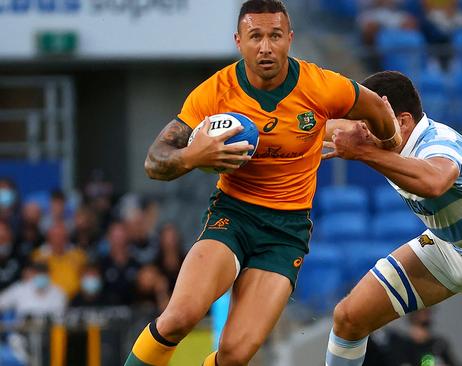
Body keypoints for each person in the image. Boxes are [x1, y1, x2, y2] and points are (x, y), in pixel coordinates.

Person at [123, 1, 402, 365]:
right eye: (255, 36)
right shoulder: (215, 93)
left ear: (290, 38)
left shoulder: (322, 86)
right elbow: (154, 160)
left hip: (286, 233)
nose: (266, 47)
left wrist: (389, 145)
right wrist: (194, 157)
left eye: (274, 36)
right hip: (232, 216)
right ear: (239, 41)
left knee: (236, 355)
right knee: (179, 318)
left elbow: (379, 109)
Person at [323, 71, 462, 366]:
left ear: (403, 121)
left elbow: (434, 183)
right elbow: (324, 127)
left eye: (367, 123)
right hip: (450, 246)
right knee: (349, 317)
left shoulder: (438, 144)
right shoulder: (382, 136)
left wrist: (364, 153)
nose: (360, 133)